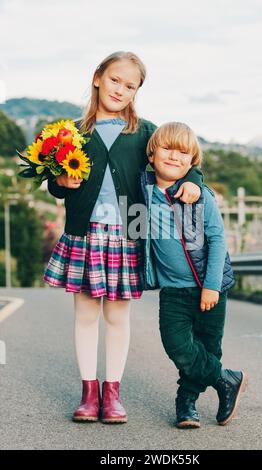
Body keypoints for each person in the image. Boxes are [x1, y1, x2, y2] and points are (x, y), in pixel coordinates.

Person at [43, 52, 203, 423]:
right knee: (85, 314)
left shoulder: (146, 133)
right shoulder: (71, 133)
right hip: (84, 234)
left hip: (128, 234)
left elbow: (181, 160)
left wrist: (193, 182)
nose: (120, 89)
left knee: (117, 316)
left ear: (136, 92)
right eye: (115, 80)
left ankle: (112, 393)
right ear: (98, 77)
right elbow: (56, 182)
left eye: (129, 86)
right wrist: (59, 182)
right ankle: (89, 393)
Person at [140, 121, 248, 428]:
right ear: (151, 154)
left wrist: (211, 286)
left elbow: (217, 242)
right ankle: (226, 379)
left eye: (183, 152)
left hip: (209, 288)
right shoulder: (143, 193)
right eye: (167, 148)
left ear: (192, 162)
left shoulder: (200, 196)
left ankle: (186, 403)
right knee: (177, 345)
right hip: (173, 290)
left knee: (208, 347)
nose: (174, 156)